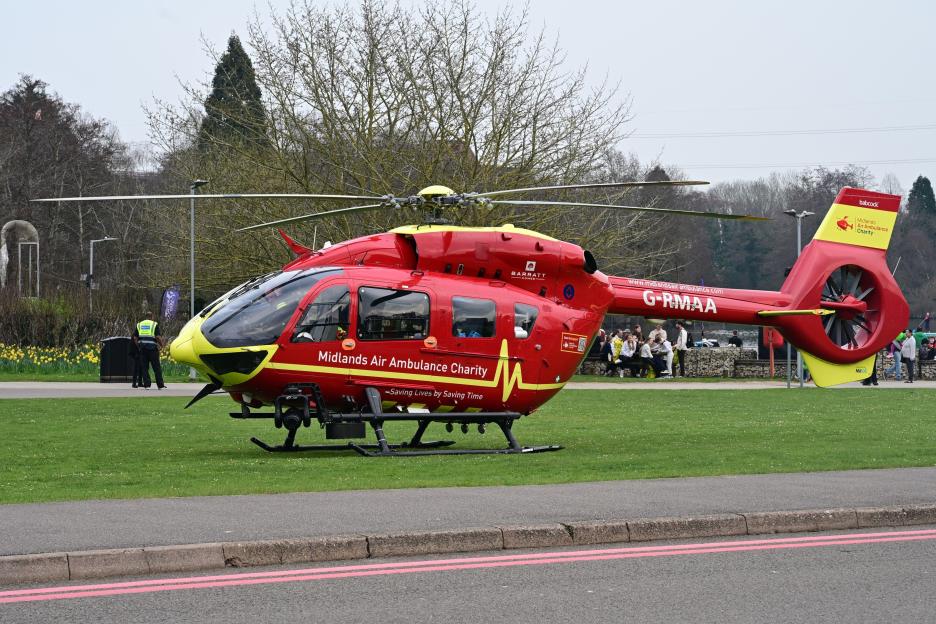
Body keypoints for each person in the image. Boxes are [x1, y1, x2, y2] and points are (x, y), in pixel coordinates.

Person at [134, 313, 165, 389]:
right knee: (156, 367)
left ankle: (147, 385)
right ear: (152, 317)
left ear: (145, 317)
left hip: (143, 349)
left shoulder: (139, 324)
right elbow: (157, 337)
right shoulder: (154, 324)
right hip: (152, 349)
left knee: (144, 368)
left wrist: (138, 346)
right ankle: (160, 385)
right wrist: (161, 345)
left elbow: (135, 338)